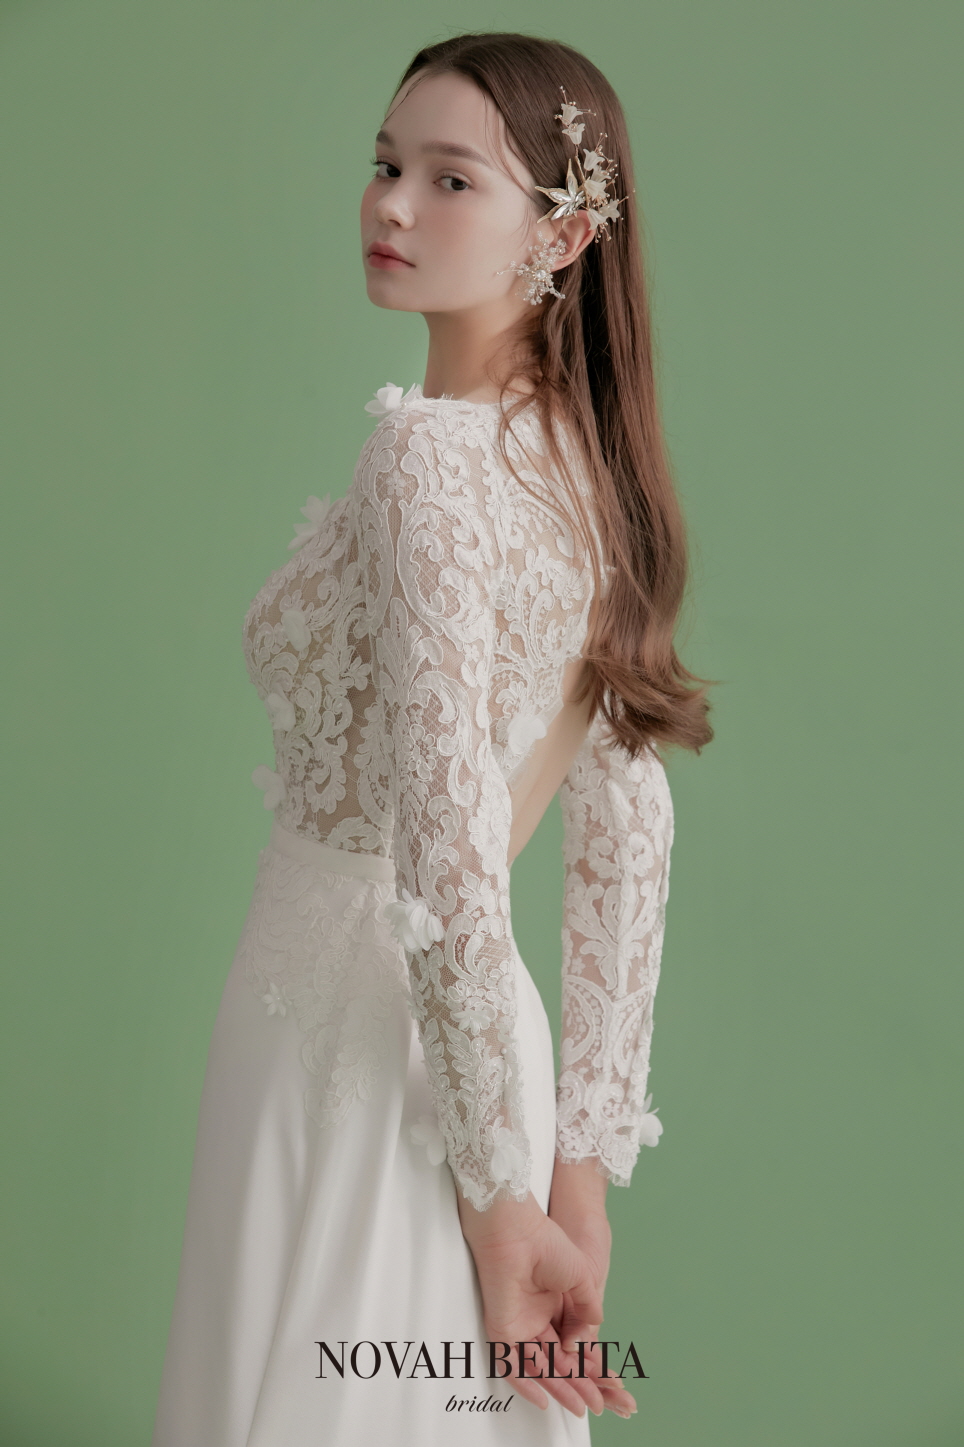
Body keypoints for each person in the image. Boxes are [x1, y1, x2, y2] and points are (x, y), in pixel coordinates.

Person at [151, 31, 712, 1447]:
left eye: (452, 179)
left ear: (564, 235)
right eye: (386, 163)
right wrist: (571, 1180)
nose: (392, 204)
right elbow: (629, 839)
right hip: (474, 1064)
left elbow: (453, 850)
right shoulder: (588, 469)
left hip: (349, 1031)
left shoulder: (427, 457)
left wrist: (506, 1207)